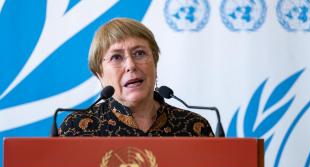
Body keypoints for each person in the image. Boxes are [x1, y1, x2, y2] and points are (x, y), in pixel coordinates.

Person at [59, 18, 214, 137]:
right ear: (100, 73)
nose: (131, 65)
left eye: (139, 53)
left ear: (155, 63)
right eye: (116, 57)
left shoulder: (194, 127)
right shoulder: (76, 128)